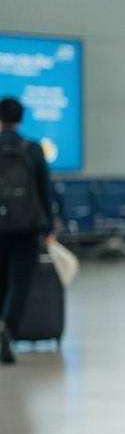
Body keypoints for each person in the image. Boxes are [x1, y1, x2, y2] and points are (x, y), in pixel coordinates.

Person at [0, 97, 58, 366]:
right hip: (27, 227)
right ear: (21, 119)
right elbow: (45, 190)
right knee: (20, 285)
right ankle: (6, 332)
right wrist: (49, 226)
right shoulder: (32, 148)